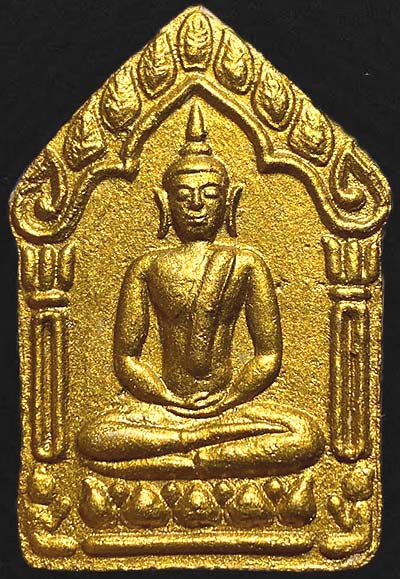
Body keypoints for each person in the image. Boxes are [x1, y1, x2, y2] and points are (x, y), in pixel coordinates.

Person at [78, 102, 324, 479]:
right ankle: (195, 445)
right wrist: (164, 398)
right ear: (165, 203)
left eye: (209, 194)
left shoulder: (245, 263)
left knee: (305, 436)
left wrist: (229, 398)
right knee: (94, 437)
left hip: (230, 407)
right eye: (184, 195)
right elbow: (126, 358)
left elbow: (268, 354)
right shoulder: (147, 267)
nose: (196, 205)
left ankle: (183, 455)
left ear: (230, 201)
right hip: (164, 411)